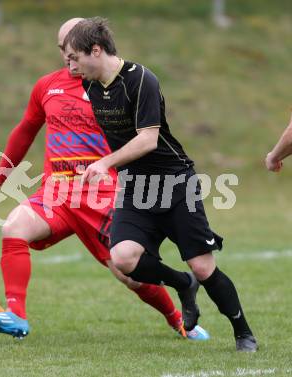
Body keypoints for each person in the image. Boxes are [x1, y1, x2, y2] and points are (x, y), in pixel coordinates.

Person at [0, 18, 209, 341]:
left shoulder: (112, 89)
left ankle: (177, 318)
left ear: (89, 49)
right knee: (13, 227)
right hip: (56, 194)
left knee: (129, 274)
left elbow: (143, 139)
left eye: (72, 51)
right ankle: (16, 315)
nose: (67, 58)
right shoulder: (47, 86)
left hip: (101, 195)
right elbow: (25, 130)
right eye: (62, 51)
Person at [63, 17, 256, 352]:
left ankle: (243, 332)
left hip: (174, 183)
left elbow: (148, 139)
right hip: (136, 188)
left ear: (96, 50)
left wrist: (105, 163)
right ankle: (183, 285)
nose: (70, 66)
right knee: (123, 258)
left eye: (74, 58)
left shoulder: (141, 80)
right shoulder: (91, 85)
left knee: (203, 265)